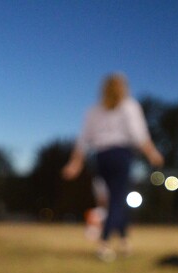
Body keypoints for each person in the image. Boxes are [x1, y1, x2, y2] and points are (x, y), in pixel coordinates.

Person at [62, 73, 164, 262]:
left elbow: (84, 139)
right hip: (120, 155)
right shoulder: (129, 106)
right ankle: (105, 242)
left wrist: (76, 162)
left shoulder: (93, 110)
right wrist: (152, 152)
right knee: (117, 199)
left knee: (114, 198)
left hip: (101, 157)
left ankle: (124, 240)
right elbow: (138, 134)